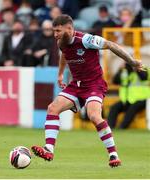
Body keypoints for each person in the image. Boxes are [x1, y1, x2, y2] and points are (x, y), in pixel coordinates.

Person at [31, 14, 144, 167]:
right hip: (76, 85)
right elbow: (64, 55)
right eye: (54, 31)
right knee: (52, 108)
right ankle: (49, 149)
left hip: (94, 85)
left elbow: (111, 45)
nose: (55, 34)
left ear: (69, 29)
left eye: (58, 30)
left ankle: (113, 155)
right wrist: (59, 74)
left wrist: (132, 61)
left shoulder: (86, 40)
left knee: (94, 116)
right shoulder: (60, 42)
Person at [108, 63, 150, 129]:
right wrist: (120, 70)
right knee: (114, 108)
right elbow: (115, 81)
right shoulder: (125, 71)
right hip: (128, 99)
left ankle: (122, 127)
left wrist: (136, 68)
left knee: (132, 109)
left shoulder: (143, 68)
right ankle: (110, 128)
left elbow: (144, 77)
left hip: (143, 98)